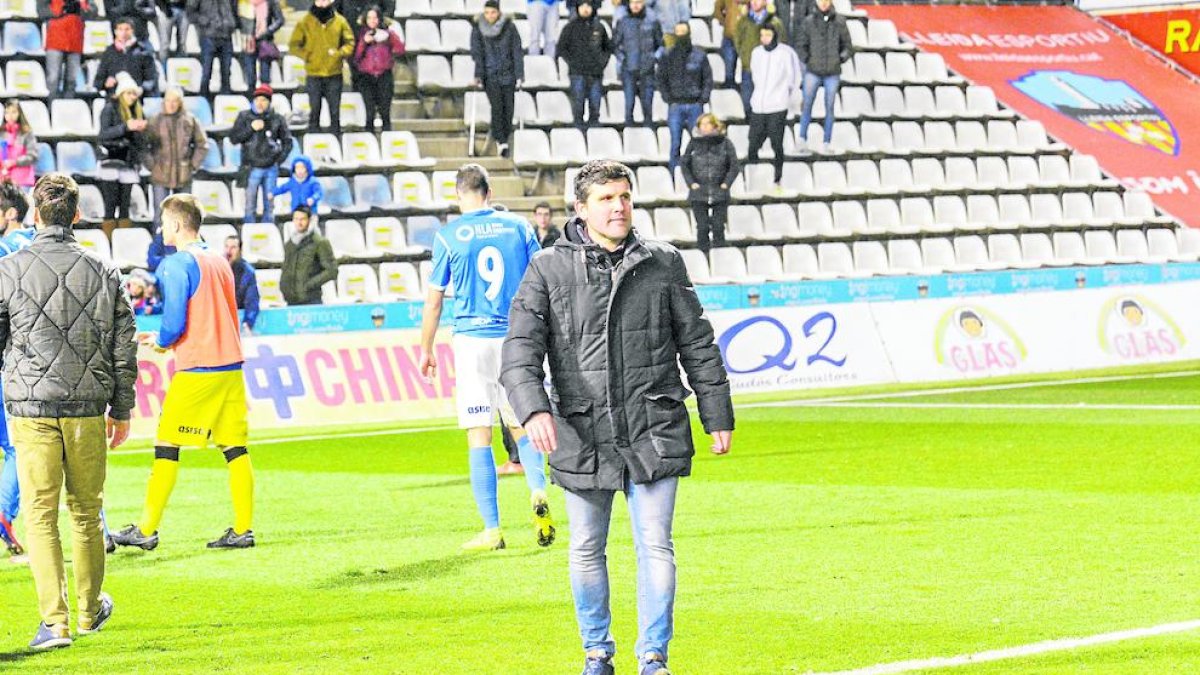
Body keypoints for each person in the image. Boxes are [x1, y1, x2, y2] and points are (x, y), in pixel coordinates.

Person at [500, 160, 734, 675]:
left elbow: (697, 341)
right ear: (581, 209)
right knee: (586, 548)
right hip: (582, 433)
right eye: (606, 199)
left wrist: (716, 410)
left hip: (655, 426)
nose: (619, 206)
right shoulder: (547, 268)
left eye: (624, 196)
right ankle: (597, 654)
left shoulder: (664, 262)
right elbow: (519, 348)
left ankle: (653, 657)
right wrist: (533, 408)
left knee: (656, 545)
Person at [0, 173, 137, 649]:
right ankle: (88, 610)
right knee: (86, 510)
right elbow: (124, 346)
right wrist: (121, 409)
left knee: (39, 514)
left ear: (36, 214)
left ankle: (53, 623)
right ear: (77, 215)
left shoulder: (8, 269)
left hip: (30, 408)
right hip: (85, 408)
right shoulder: (105, 271)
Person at [418, 164, 554, 552]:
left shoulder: (448, 237)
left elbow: (434, 301)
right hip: (516, 337)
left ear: (459, 194)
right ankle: (538, 490)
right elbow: (543, 278)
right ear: (489, 191)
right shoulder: (518, 227)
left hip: (473, 341)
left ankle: (492, 530)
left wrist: (426, 349)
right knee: (521, 424)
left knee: (480, 435)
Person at [112, 194, 256, 552]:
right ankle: (242, 528)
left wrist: (161, 340)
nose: (162, 229)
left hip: (198, 368)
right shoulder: (220, 260)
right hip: (230, 365)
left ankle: (146, 529)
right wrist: (166, 338)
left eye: (164, 222)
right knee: (235, 448)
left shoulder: (177, 264)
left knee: (166, 443)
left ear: (176, 225)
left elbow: (175, 322)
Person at [0, 180, 34, 561]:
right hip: (21, 365)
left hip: (7, 359)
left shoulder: (3, 250)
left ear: (10, 214)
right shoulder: (37, 248)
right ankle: (5, 514)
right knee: (16, 447)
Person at [795, 0, 853, 155]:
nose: (823, 3)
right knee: (807, 105)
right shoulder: (809, 21)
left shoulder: (840, 22)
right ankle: (802, 139)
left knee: (830, 108)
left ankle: (826, 142)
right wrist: (808, 60)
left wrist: (839, 58)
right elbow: (801, 45)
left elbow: (848, 46)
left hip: (832, 73)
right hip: (812, 71)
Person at [145, 86, 208, 228]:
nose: (171, 104)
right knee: (160, 215)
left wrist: (193, 165)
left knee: (185, 216)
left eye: (175, 101)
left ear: (180, 102)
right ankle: (160, 247)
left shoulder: (190, 120)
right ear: (164, 101)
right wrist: (152, 165)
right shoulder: (154, 121)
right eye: (168, 100)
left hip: (184, 174)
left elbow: (202, 144)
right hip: (160, 174)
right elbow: (143, 146)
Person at [289, 0, 355, 133]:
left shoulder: (340, 21)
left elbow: (350, 43)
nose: (323, 3)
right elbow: (294, 45)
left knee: (335, 112)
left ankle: (336, 141)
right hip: (314, 75)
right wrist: (308, 55)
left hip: (334, 74)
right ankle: (314, 138)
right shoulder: (305, 22)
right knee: (315, 111)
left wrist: (339, 53)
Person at [229, 84, 292, 224]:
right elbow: (234, 138)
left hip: (271, 168)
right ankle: (248, 233)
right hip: (251, 167)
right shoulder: (244, 116)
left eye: (264, 100)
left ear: (269, 102)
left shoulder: (277, 119)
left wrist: (278, 160)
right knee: (249, 205)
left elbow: (287, 142)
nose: (260, 103)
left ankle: (269, 232)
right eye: (257, 99)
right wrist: (250, 129)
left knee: (269, 206)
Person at [97, 72, 150, 234]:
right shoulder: (109, 109)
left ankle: (123, 240)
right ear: (121, 93)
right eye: (129, 93)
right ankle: (109, 240)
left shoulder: (138, 112)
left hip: (128, 161)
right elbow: (103, 135)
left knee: (125, 205)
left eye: (135, 93)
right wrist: (126, 127)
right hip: (111, 161)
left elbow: (141, 142)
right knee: (110, 204)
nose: (133, 97)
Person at [656, 22, 712, 176]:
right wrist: (668, 98)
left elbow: (707, 78)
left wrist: (703, 99)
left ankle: (699, 175)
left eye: (683, 32)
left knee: (699, 143)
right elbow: (661, 79)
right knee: (675, 144)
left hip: (695, 105)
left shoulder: (700, 55)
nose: (680, 35)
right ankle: (674, 176)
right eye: (678, 32)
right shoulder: (667, 56)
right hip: (676, 106)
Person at [747, 24, 799, 186]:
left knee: (777, 143)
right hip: (758, 105)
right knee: (753, 141)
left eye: (768, 35)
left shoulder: (785, 53)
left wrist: (785, 97)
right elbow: (755, 74)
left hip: (777, 105)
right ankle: (753, 174)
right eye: (762, 35)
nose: (764, 39)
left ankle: (778, 177)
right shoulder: (756, 53)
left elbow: (793, 78)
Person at [470, 0, 523, 157]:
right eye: (487, 13)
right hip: (490, 75)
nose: (489, 16)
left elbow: (517, 51)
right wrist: (478, 75)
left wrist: (519, 74)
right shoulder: (477, 28)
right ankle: (501, 140)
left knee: (509, 108)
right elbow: (477, 54)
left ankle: (504, 137)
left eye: (493, 12)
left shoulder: (510, 28)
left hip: (508, 74)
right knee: (497, 107)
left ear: (498, 12)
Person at [681, 113, 739, 254]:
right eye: (702, 124)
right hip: (698, 192)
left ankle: (720, 257)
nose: (705, 127)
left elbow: (734, 166)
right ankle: (704, 256)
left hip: (719, 191)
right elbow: (684, 164)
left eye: (708, 124)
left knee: (719, 226)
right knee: (702, 227)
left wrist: (726, 183)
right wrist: (691, 183)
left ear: (714, 125)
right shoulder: (693, 143)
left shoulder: (725, 143)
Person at [558, 1, 611, 133]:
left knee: (595, 106)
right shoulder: (570, 27)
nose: (586, 9)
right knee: (578, 105)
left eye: (588, 6)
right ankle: (578, 135)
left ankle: (594, 137)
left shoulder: (599, 27)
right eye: (582, 6)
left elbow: (608, 48)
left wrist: (601, 63)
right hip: (577, 74)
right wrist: (573, 63)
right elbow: (562, 49)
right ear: (577, 8)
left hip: (596, 74)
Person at [353, 6, 405, 133]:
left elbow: (400, 49)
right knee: (369, 112)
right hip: (366, 77)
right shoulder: (359, 34)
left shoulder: (387, 34)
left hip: (384, 75)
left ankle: (387, 140)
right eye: (369, 18)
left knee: (385, 112)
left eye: (375, 17)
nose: (372, 20)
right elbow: (356, 57)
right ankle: (369, 140)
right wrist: (364, 42)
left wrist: (390, 36)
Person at [613, 0, 662, 127]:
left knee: (647, 103)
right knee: (629, 102)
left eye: (639, 2)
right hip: (629, 68)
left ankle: (648, 127)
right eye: (633, 2)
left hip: (647, 69)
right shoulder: (622, 22)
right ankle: (629, 127)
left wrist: (654, 58)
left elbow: (661, 45)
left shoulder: (653, 22)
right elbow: (615, 45)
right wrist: (623, 59)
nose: (636, 5)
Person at [734, 0, 786, 116]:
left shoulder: (775, 22)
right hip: (748, 67)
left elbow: (781, 42)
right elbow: (737, 40)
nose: (754, 3)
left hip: (769, 69)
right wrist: (744, 54)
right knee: (747, 100)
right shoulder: (743, 21)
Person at [279, 206, 337, 305]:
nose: (299, 222)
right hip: (291, 300)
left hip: (311, 300)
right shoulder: (290, 244)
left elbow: (332, 270)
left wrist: (309, 284)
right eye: (296, 219)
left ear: (309, 220)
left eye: (302, 219)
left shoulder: (320, 242)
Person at [92, 17, 159, 98]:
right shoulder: (109, 52)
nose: (123, 32)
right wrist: (105, 83)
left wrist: (141, 89)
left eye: (127, 29)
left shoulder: (143, 51)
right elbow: (98, 80)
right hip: (114, 99)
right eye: (120, 29)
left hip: (138, 97)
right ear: (115, 31)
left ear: (132, 31)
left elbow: (151, 77)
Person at [40, 0, 93, 100]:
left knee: (72, 80)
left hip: (76, 40)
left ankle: (68, 107)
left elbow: (93, 12)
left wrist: (83, 6)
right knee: (53, 79)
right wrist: (60, 10)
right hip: (55, 40)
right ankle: (52, 108)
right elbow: (41, 11)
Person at [187, 0, 237, 98]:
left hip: (226, 36)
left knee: (226, 73)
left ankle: (225, 100)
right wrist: (203, 20)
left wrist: (232, 23)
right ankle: (204, 100)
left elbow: (234, 9)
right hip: (208, 36)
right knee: (206, 72)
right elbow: (190, 11)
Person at [240, 0, 285, 91]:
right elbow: (237, 18)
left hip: (265, 41)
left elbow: (280, 20)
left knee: (265, 77)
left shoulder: (271, 2)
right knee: (250, 77)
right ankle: (252, 101)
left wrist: (267, 32)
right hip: (248, 41)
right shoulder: (244, 2)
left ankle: (265, 100)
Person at [0, 102, 39, 194]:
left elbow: (32, 156)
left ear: (19, 114)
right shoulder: (1, 133)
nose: (10, 116)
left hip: (22, 179)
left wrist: (14, 162)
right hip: (2, 178)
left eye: (13, 112)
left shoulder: (27, 133)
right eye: (7, 112)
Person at [224, 235, 260, 333]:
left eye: (233, 247)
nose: (229, 251)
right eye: (226, 247)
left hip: (238, 317)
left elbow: (252, 300)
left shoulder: (248, 272)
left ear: (240, 250)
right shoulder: (217, 268)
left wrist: (248, 322)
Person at [713, 0, 747, 86]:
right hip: (729, 36)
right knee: (728, 68)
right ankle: (729, 89)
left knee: (747, 71)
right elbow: (717, 8)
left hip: (747, 37)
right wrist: (724, 21)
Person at [156, 0, 189, 66]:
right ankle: (164, 71)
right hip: (166, 8)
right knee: (165, 44)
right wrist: (163, 7)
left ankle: (180, 69)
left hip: (183, 9)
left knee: (182, 44)